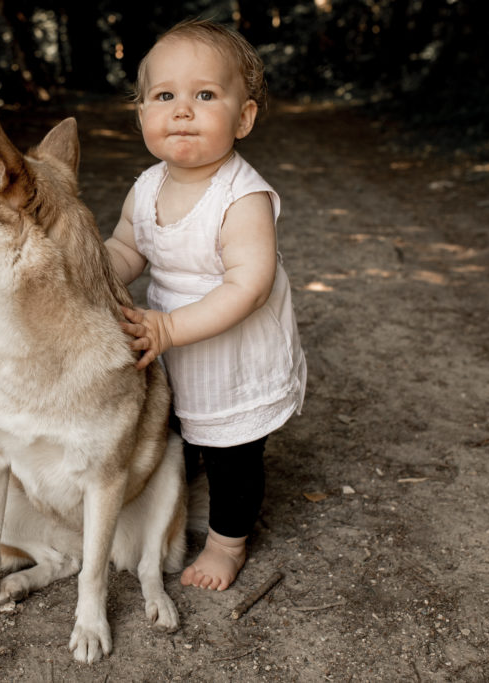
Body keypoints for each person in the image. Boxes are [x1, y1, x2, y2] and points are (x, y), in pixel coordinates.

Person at [105, 19, 306, 591]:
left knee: (232, 455)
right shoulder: (146, 187)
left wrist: (168, 328)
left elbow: (249, 286)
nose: (182, 110)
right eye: (164, 96)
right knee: (176, 433)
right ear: (141, 113)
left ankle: (227, 542)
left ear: (243, 117)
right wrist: (94, 274)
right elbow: (125, 247)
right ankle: (176, 500)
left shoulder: (242, 198)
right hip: (173, 347)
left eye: (205, 95)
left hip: (232, 354)